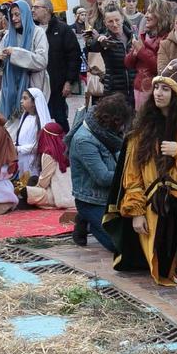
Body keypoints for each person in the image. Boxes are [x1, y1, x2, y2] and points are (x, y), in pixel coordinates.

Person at [109, 60, 177, 287]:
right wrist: (136, 211)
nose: (158, 93)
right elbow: (132, 175)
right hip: (149, 194)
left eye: (165, 89)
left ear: (175, 95)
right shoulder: (141, 130)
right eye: (157, 87)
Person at [70, 93, 128, 247]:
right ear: (110, 120)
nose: (122, 128)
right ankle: (87, 219)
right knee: (118, 245)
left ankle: (86, 219)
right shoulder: (84, 140)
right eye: (119, 123)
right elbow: (102, 177)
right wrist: (129, 174)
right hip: (93, 198)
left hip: (114, 194)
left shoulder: (108, 133)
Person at [0, 0, 50, 120]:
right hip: (9, 88)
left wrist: (16, 53)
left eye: (17, 14)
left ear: (26, 14)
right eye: (12, 15)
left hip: (31, 86)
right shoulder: (7, 36)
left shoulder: (38, 33)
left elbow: (42, 61)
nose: (14, 19)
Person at [42, 0, 83, 129]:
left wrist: (69, 81)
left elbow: (74, 56)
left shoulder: (63, 29)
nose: (33, 10)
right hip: (38, 83)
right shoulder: (33, 29)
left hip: (57, 84)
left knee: (59, 117)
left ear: (47, 10)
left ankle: (64, 146)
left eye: (37, 7)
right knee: (41, 117)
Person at [12, 87, 48, 180]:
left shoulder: (40, 122)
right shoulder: (25, 117)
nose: (21, 101)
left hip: (32, 162)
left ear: (34, 102)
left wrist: (18, 149)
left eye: (25, 98)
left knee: (30, 185)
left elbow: (39, 145)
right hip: (21, 158)